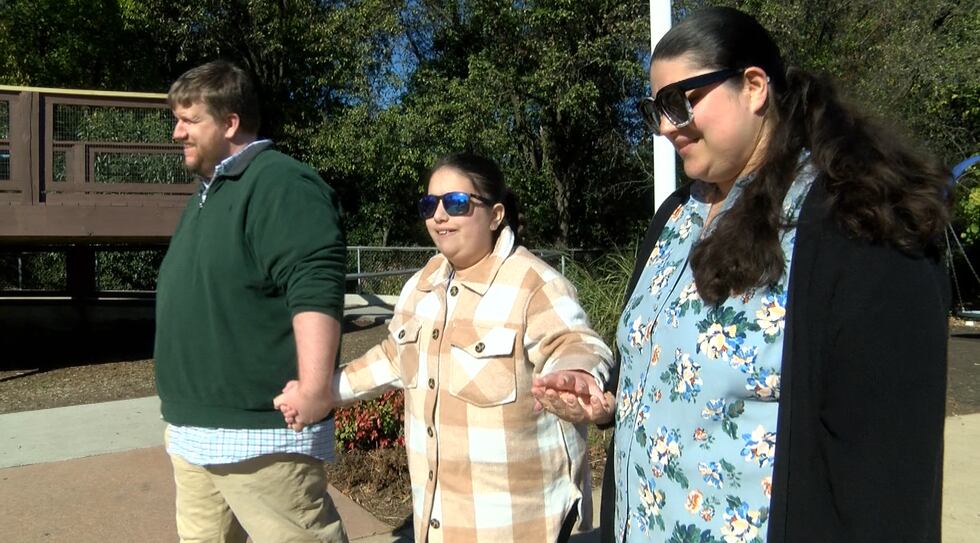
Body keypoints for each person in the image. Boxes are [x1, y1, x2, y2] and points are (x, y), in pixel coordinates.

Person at [532, 7, 949, 543]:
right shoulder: (675, 218)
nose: (665, 126)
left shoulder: (855, 226)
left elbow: (888, 478)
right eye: (655, 108)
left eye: (681, 102)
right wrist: (607, 397)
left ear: (753, 86)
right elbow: (677, 371)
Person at [282, 151, 615, 542]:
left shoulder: (533, 283)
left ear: (495, 215)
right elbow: (392, 358)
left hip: (521, 526)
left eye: (456, 203)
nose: (439, 216)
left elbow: (574, 342)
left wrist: (577, 375)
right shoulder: (421, 285)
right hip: (439, 525)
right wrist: (319, 392)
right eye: (429, 205)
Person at [154, 60, 349, 543]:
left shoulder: (280, 184)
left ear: (231, 122)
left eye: (190, 119)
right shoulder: (209, 191)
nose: (177, 132)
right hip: (194, 432)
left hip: (261, 437)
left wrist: (313, 386)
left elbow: (315, 285)